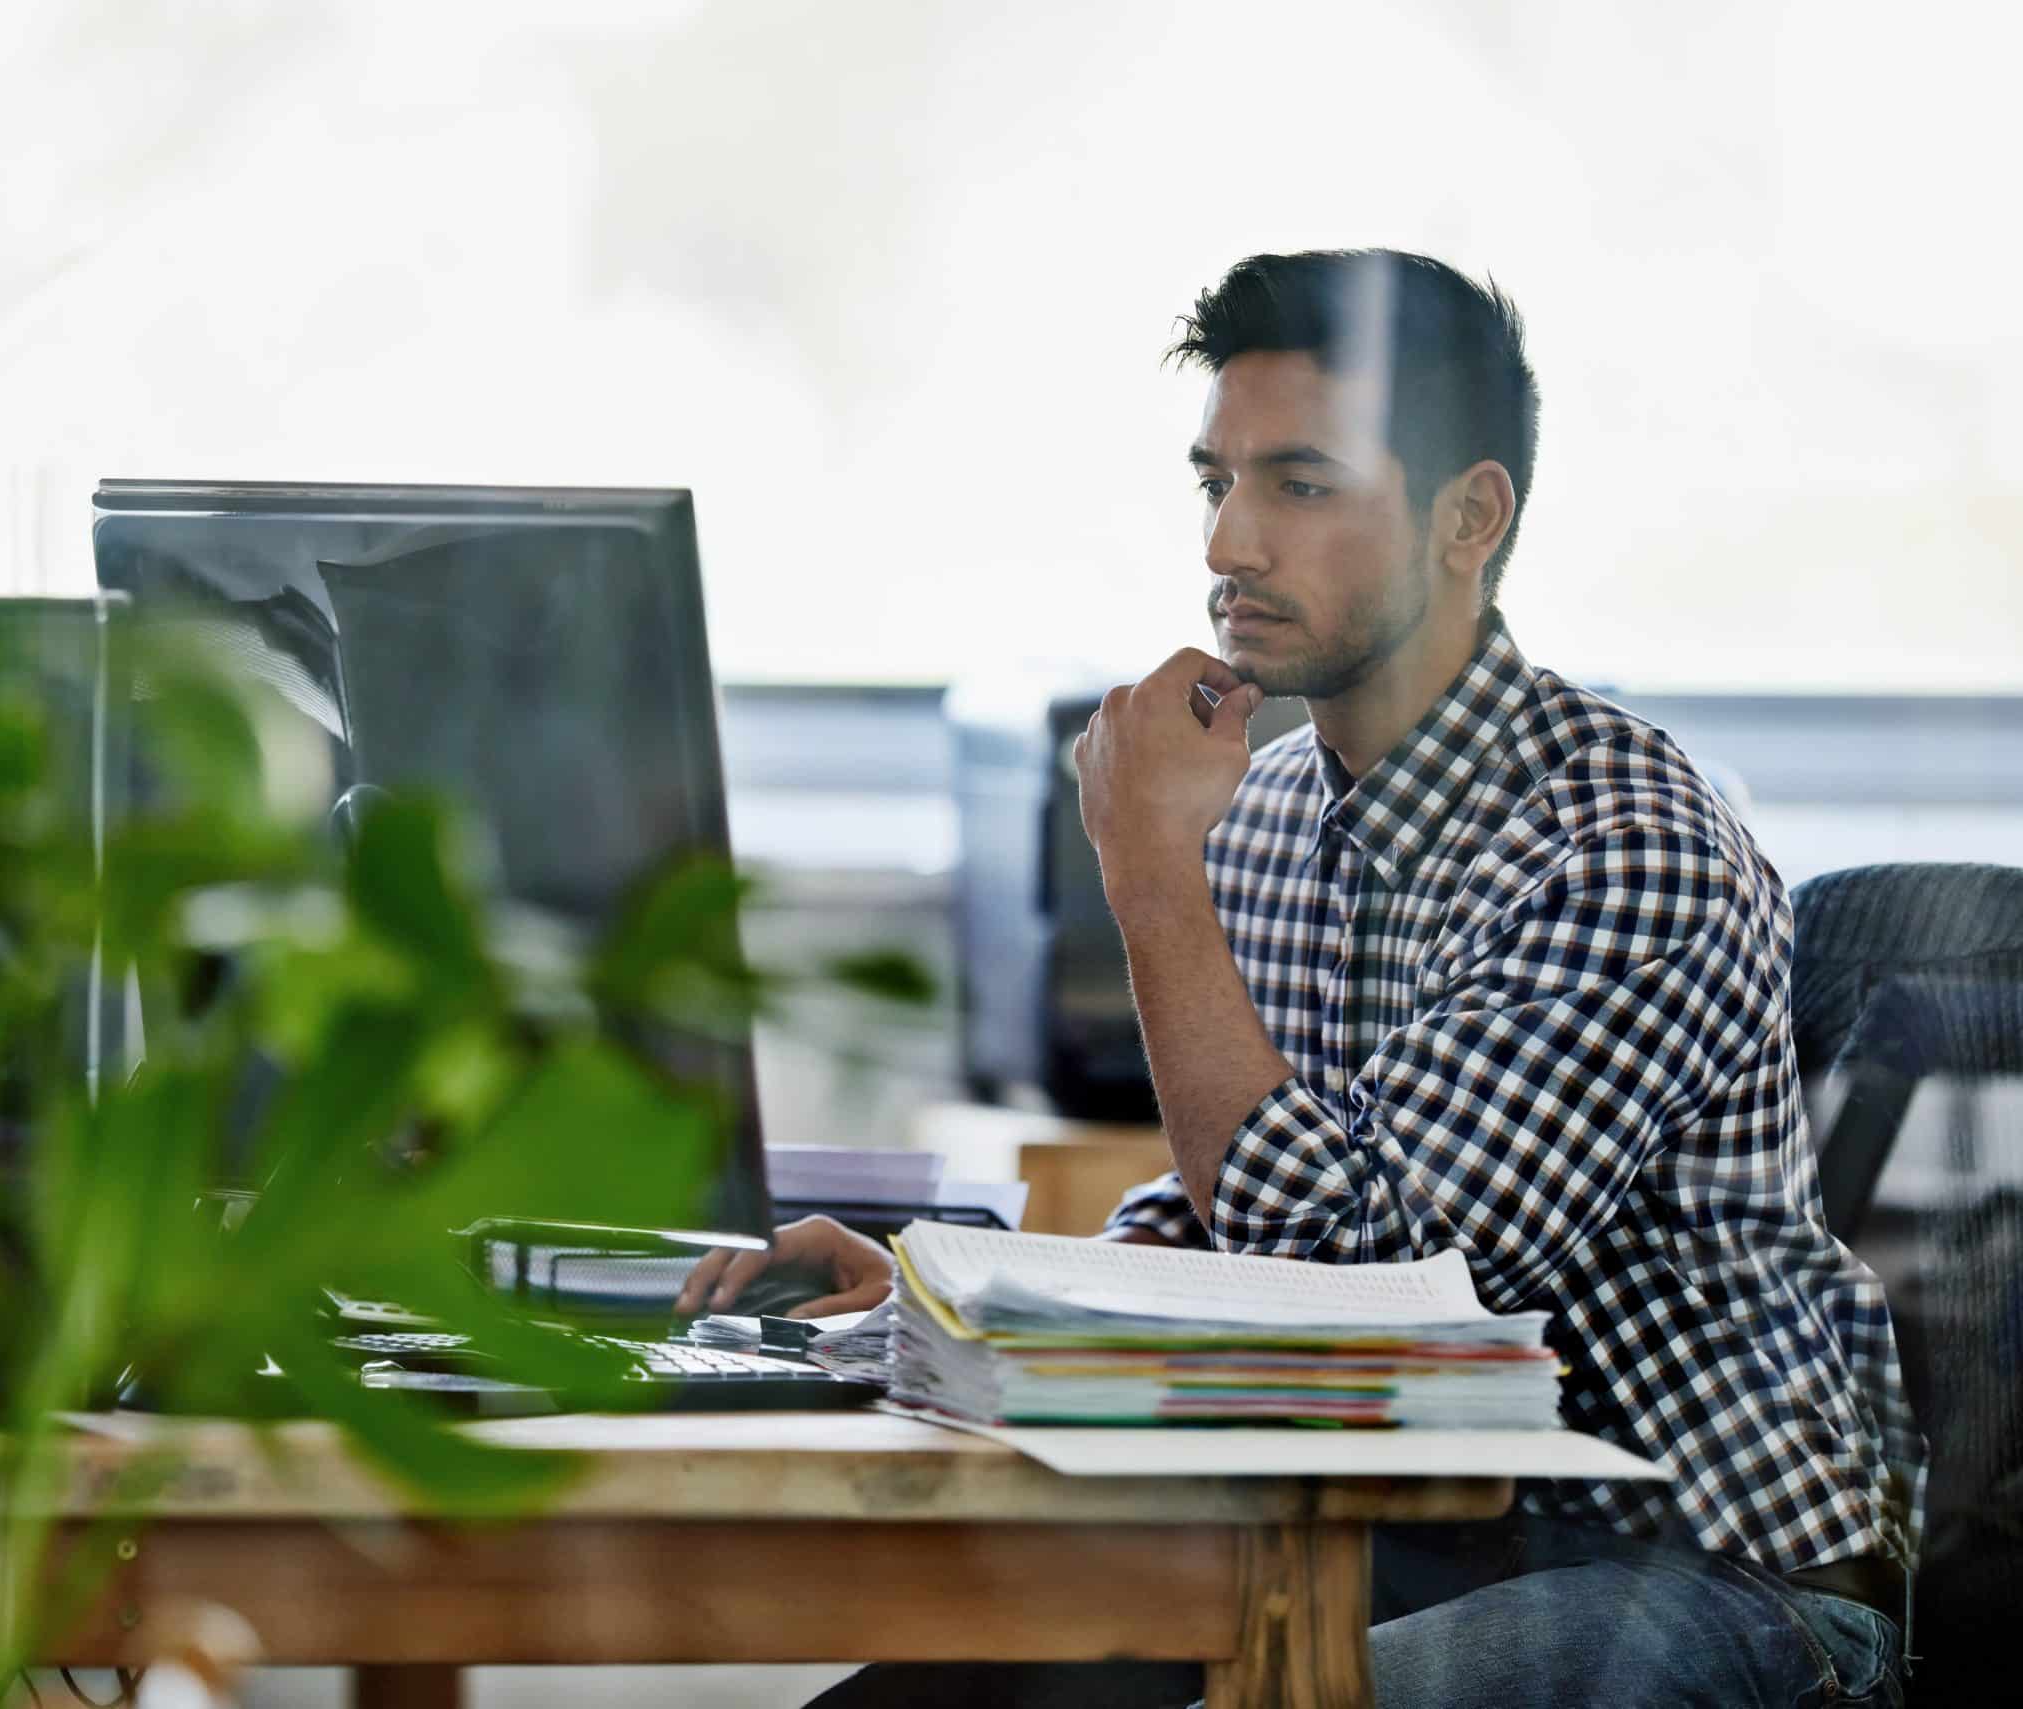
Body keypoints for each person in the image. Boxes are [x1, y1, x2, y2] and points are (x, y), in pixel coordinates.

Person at [677, 249, 1922, 1708]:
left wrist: (1145, 873)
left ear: (1471, 517)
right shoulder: (1265, 820)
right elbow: (1221, 1247)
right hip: (1393, 1540)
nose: (1227, 543)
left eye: (1300, 486)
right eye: (1216, 480)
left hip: (1714, 1579)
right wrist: (937, 1316)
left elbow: (1370, 1283)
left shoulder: (1627, 845)